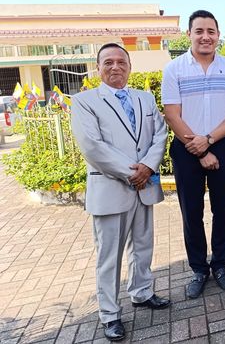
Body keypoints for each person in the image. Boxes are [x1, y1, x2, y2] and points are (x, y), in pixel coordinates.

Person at [71, 43, 169, 342]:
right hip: (112, 187)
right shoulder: (85, 101)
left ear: (129, 66)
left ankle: (142, 292)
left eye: (121, 62)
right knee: (109, 255)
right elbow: (92, 146)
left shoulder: (145, 98)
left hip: (144, 185)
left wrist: (148, 167)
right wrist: (133, 173)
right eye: (108, 62)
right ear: (98, 68)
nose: (115, 67)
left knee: (143, 246)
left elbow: (160, 133)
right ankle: (110, 313)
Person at [162, 9, 225, 298]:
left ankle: (220, 266)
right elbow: (172, 115)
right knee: (191, 212)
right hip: (186, 146)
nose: (205, 37)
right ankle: (198, 269)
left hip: (220, 144)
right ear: (189, 34)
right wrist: (198, 149)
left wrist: (209, 140)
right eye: (199, 31)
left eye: (211, 31)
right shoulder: (174, 69)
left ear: (218, 35)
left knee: (222, 209)